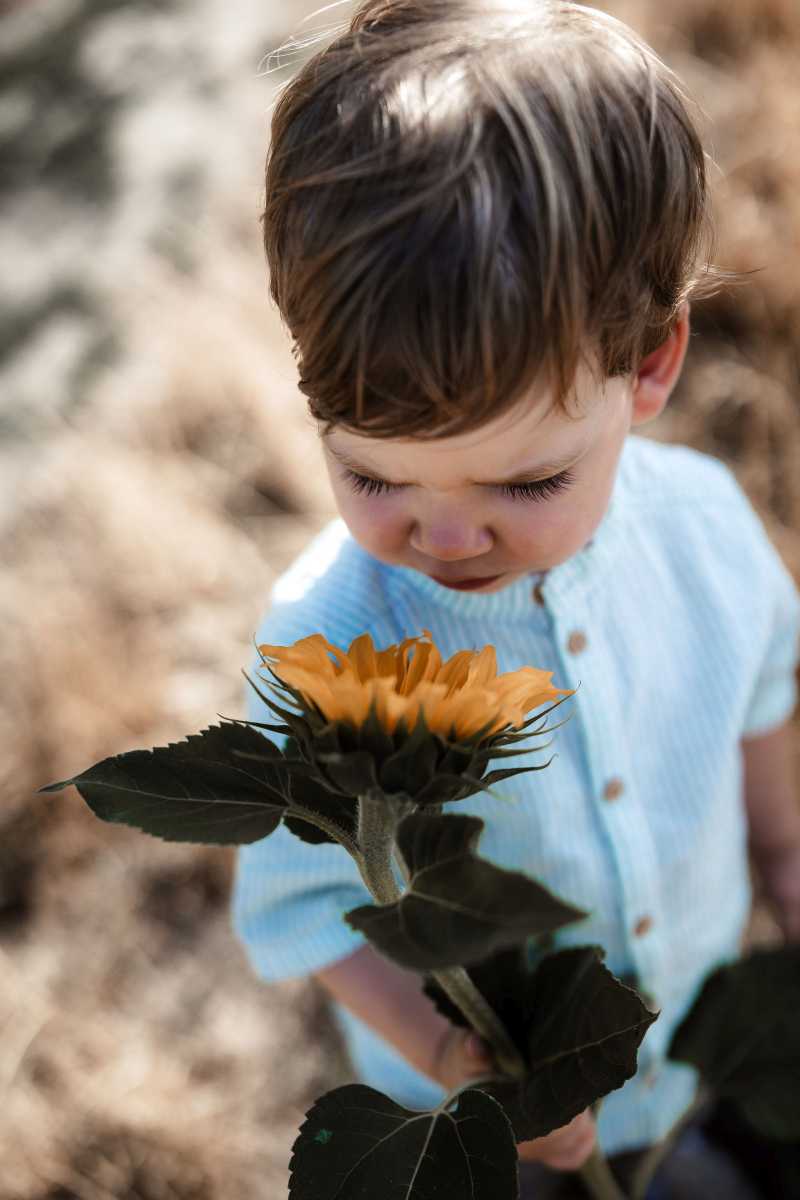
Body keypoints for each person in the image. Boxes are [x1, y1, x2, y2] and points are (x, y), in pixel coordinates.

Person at [231, 0, 800, 1189]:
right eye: (369, 473)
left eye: (526, 479)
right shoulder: (328, 643)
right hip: (475, 1126)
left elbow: (757, 688)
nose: (440, 534)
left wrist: (782, 851)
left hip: (688, 1035)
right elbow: (305, 906)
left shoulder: (701, 528)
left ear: (647, 365)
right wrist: (456, 1058)